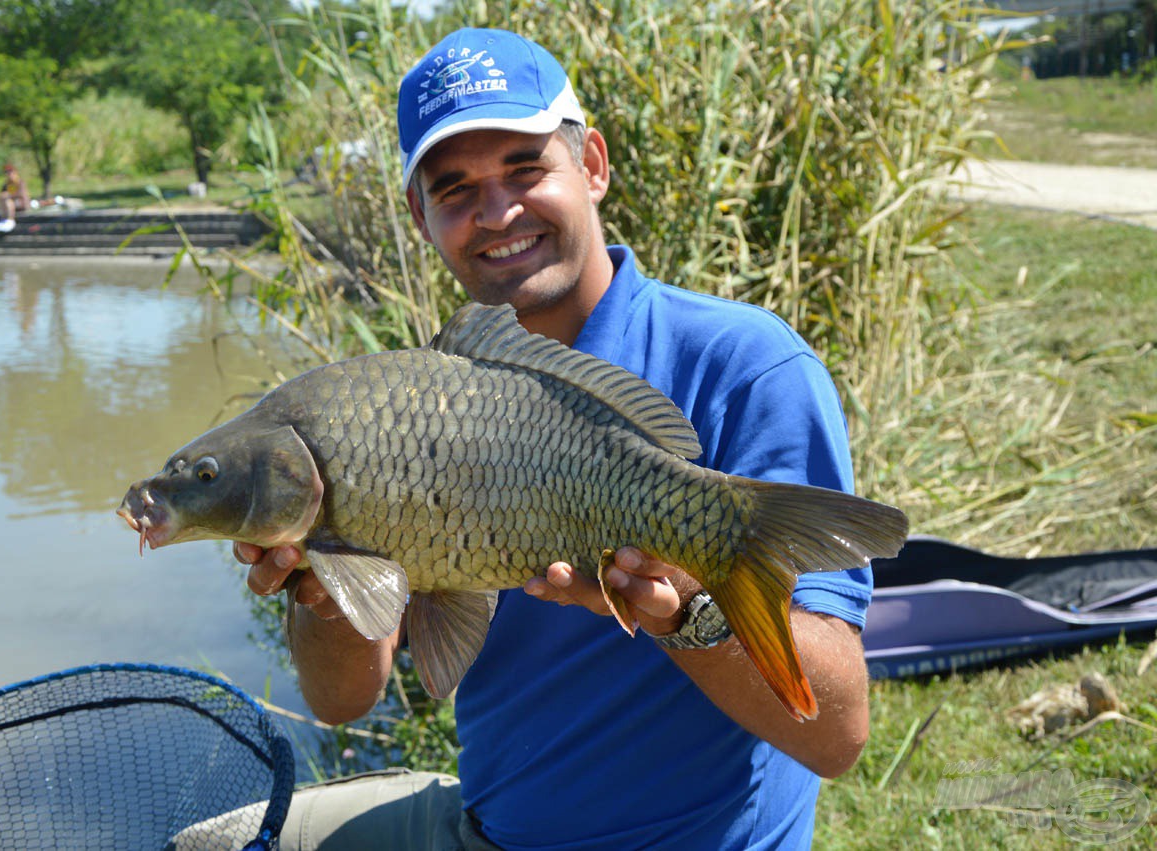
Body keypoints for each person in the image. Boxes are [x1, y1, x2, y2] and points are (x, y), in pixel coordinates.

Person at [235, 27, 872, 850]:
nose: (497, 213)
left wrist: (690, 614)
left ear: (594, 166)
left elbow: (838, 735)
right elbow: (345, 700)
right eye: (456, 188)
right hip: (488, 825)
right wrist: (321, 587)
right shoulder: (415, 402)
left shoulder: (746, 365)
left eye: (526, 169)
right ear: (420, 216)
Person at [0, 163, 29, 233]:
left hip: (20, 203)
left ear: (15, 172)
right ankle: (3, 220)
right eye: (7, 173)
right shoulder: (6, 184)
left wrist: (9, 195)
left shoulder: (20, 182)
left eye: (10, 172)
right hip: (10, 204)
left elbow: (21, 195)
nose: (9, 174)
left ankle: (10, 220)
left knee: (8, 201)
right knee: (3, 200)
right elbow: (2, 194)